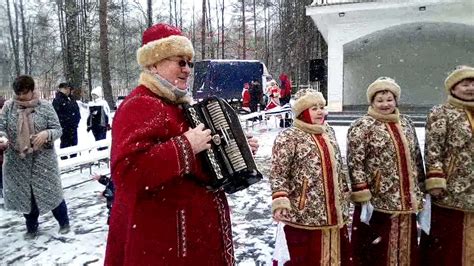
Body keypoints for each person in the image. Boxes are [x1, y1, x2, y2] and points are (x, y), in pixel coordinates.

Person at [104, 23, 259, 265]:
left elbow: (204, 162)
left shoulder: (178, 105)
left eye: (189, 63)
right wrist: (185, 146)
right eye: (180, 62)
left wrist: (237, 149)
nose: (187, 69)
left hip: (192, 236)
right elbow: (127, 173)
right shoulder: (140, 104)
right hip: (166, 243)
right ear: (154, 63)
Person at [347, 77, 425, 265]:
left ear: (396, 100)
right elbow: (355, 161)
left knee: (405, 246)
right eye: (379, 100)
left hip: (406, 199)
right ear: (372, 102)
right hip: (378, 199)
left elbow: (416, 157)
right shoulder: (362, 126)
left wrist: (422, 185)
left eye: (389, 99)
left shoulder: (406, 124)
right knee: (378, 250)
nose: (385, 104)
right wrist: (362, 190)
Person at [270, 88, 351, 265]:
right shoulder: (289, 137)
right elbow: (278, 172)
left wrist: (345, 193)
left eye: (322, 107)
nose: (320, 111)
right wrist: (280, 200)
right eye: (314, 108)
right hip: (304, 213)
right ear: (302, 112)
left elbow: (337, 167)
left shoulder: (328, 132)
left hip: (334, 212)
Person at [0, 75, 70, 238]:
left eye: (24, 93)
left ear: (32, 91)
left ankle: (64, 222)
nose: (21, 96)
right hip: (18, 162)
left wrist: (46, 134)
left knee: (52, 193)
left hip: (43, 161)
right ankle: (31, 227)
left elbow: (57, 129)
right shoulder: (9, 108)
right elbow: (1, 127)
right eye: (18, 93)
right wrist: (2, 137)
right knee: (27, 197)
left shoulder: (45, 107)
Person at [420, 65, 474, 265]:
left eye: (473, 84)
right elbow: (433, 147)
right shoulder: (441, 112)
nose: (470, 88)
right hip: (452, 188)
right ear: (453, 88)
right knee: (449, 240)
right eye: (465, 84)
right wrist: (435, 179)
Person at [52, 82, 81, 158]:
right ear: (61, 89)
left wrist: (77, 120)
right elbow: (56, 114)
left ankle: (74, 158)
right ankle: (64, 160)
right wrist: (64, 122)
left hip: (73, 126)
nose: (67, 90)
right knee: (65, 143)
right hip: (64, 127)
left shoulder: (71, 98)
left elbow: (76, 110)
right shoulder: (57, 100)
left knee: (74, 143)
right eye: (65, 88)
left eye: (68, 88)